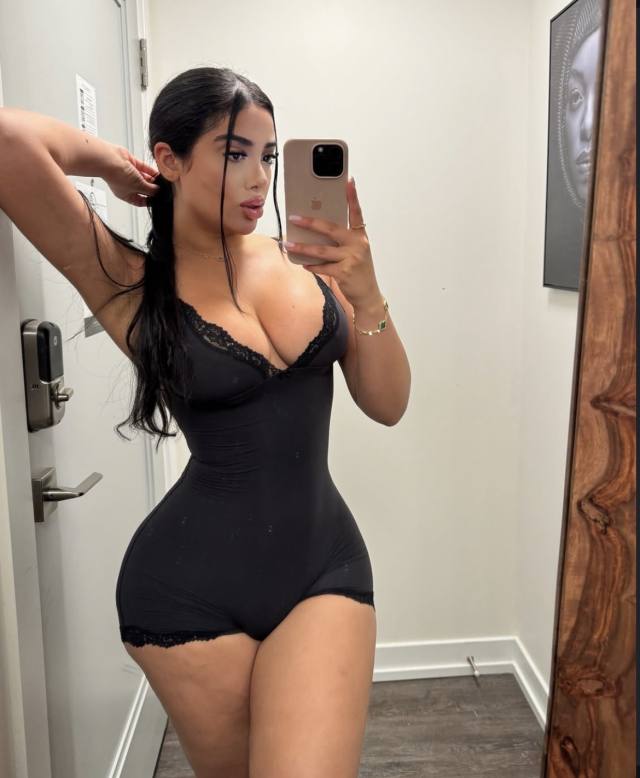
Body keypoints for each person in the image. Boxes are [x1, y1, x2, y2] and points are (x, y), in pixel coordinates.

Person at [0, 66, 411, 777]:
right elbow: (8, 141)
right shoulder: (127, 282)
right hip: (188, 595)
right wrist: (114, 166)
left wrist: (367, 294)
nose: (259, 178)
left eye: (268, 155)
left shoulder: (309, 261)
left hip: (325, 567)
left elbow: (388, 404)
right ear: (171, 158)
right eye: (233, 152)